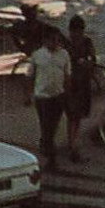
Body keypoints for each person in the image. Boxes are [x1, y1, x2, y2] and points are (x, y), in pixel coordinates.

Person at [26, 28, 71, 168]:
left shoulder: (64, 54)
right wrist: (28, 95)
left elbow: (68, 74)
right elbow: (30, 76)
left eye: (57, 40)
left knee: (53, 125)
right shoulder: (37, 55)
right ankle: (51, 156)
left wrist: (67, 94)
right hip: (42, 96)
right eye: (52, 39)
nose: (55, 43)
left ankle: (46, 144)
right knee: (46, 125)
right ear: (45, 41)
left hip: (58, 95)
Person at [63, 15, 98, 163]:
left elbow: (92, 59)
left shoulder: (87, 42)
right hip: (71, 84)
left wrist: (88, 63)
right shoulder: (65, 45)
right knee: (72, 115)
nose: (76, 34)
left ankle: (73, 141)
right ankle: (73, 144)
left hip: (83, 83)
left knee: (77, 116)